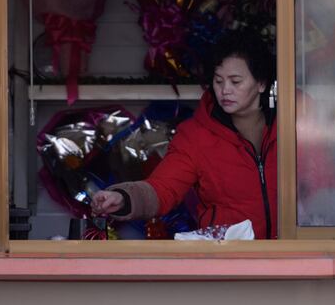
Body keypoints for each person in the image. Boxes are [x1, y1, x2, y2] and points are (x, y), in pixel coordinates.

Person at [91, 29, 278, 239]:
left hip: (294, 255)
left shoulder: (292, 126)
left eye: (235, 82)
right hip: (227, 260)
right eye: (218, 81)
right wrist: (124, 197)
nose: (225, 90)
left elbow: (317, 185)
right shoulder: (195, 136)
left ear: (261, 83)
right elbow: (163, 187)